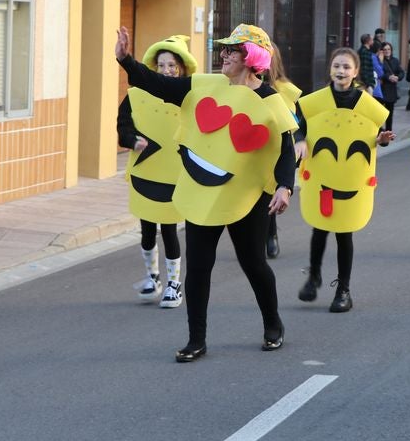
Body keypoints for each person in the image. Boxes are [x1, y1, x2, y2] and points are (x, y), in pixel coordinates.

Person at [114, 24, 295, 362]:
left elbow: (285, 149)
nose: (224, 54)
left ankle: (273, 324)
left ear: (250, 58)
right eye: (224, 48)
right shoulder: (205, 84)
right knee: (198, 267)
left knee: (253, 264)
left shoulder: (269, 99)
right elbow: (160, 84)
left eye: (232, 50)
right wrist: (127, 61)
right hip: (202, 190)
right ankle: (196, 339)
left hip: (246, 196)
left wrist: (284, 186)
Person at [295, 48, 393, 312]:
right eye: (337, 66)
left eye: (347, 67)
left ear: (356, 72)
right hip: (322, 175)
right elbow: (300, 128)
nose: (341, 71)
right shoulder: (314, 103)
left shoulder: (368, 106)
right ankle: (314, 276)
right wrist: (301, 141)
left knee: (343, 233)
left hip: (350, 179)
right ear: (330, 69)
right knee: (319, 228)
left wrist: (381, 140)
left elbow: (374, 136)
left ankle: (343, 290)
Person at [116, 35, 196, 307]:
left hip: (173, 175)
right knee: (147, 229)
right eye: (161, 65)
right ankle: (153, 277)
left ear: (182, 68)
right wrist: (132, 140)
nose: (166, 71)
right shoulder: (137, 97)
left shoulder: (189, 98)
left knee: (170, 228)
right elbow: (123, 126)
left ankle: (174, 284)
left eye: (172, 65)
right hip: (145, 170)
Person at [264, 44, 302, 259]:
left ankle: (271, 235)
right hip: (250, 148)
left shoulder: (284, 89)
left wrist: (302, 141)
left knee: (270, 191)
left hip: (278, 149)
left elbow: (296, 121)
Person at [373, 41, 404, 131]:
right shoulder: (379, 60)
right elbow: (379, 72)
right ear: (382, 50)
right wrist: (389, 77)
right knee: (379, 112)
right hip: (381, 89)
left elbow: (401, 72)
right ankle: (378, 130)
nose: (387, 51)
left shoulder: (395, 60)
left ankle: (389, 131)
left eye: (388, 49)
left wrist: (397, 77)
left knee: (390, 113)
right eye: (385, 49)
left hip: (391, 90)